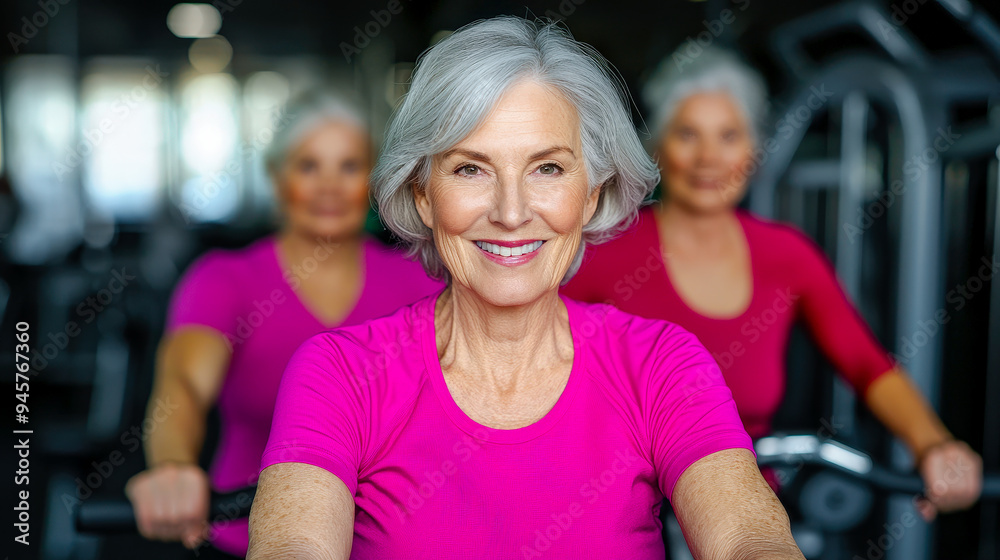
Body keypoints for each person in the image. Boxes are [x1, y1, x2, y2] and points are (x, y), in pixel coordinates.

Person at [248, 17, 805, 560]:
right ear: (423, 194)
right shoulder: (340, 374)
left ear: (590, 194)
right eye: (471, 169)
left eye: (548, 169)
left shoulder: (662, 365)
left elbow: (745, 539)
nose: (511, 213)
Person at [562, 47, 982, 520]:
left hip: (743, 506)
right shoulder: (603, 250)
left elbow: (867, 364)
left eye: (728, 136)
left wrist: (933, 444)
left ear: (752, 151)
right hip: (623, 507)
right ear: (657, 147)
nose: (708, 158)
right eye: (687, 134)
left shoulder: (786, 255)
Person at [125, 92, 442, 558]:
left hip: (393, 543)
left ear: (371, 182)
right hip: (248, 536)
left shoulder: (420, 279)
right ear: (277, 178)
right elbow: (184, 384)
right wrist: (173, 467)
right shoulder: (225, 280)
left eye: (349, 167)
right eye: (309, 166)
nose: (330, 186)